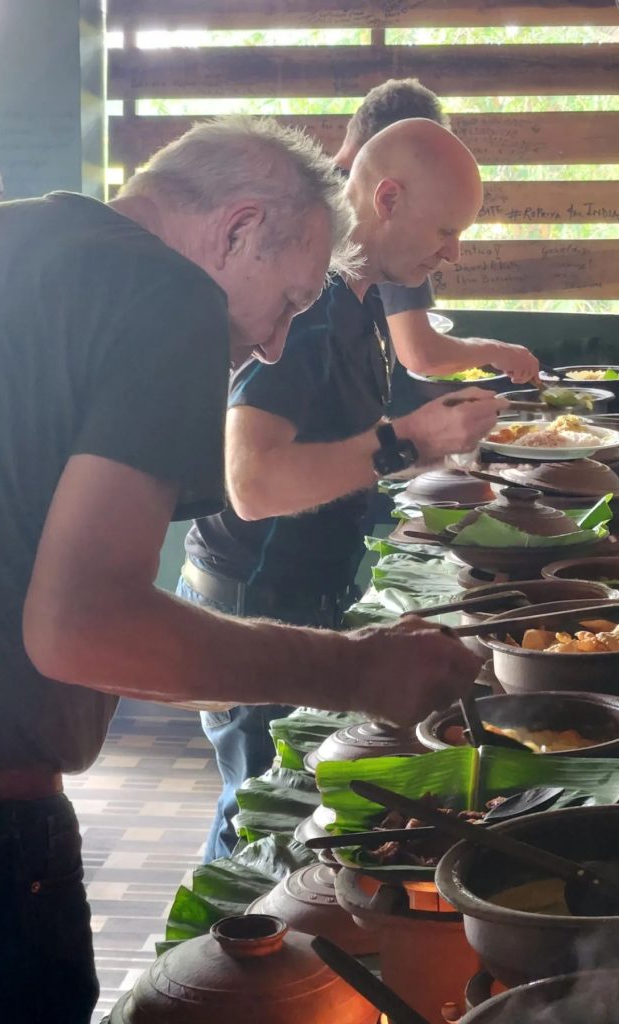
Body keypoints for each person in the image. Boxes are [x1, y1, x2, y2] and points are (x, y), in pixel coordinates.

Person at [0, 117, 482, 1024]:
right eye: (292, 302)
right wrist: (359, 670)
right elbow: (83, 627)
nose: (269, 347)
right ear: (236, 228)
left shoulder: (16, 233)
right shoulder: (166, 291)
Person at [182, 118, 507, 861]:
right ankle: (206, 970)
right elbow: (252, 482)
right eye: (445, 230)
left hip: (303, 592)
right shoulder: (309, 304)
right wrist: (412, 439)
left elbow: (340, 449)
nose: (451, 254)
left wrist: (433, 458)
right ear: (386, 197)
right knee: (258, 823)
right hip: (252, 598)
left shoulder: (361, 300)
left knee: (270, 809)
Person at [333, 79, 541, 385]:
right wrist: (498, 352)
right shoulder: (371, 237)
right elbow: (420, 353)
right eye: (444, 231)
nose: (452, 254)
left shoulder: (323, 209)